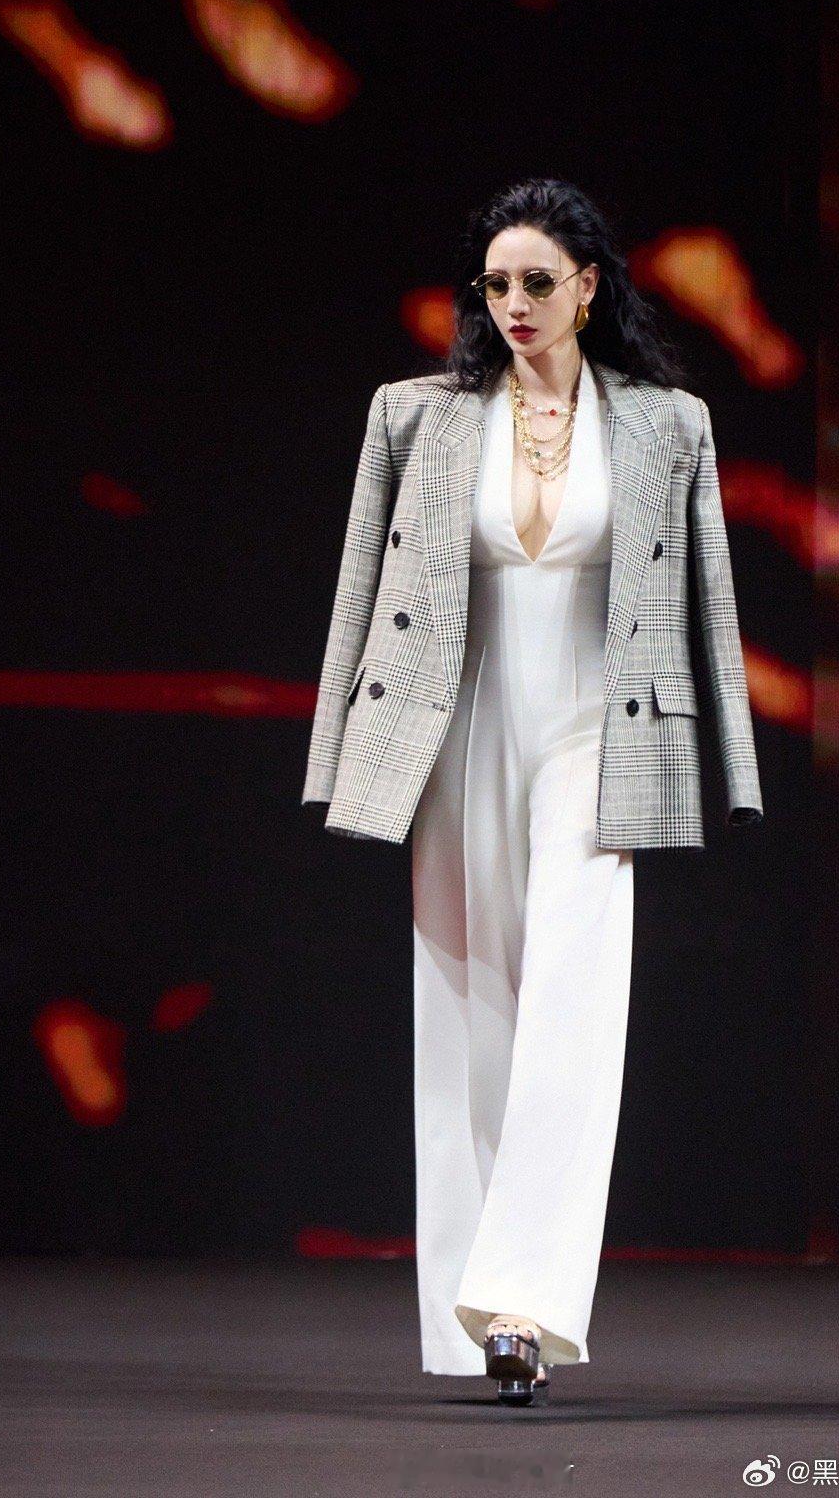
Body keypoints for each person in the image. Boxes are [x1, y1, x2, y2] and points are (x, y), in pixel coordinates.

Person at [302, 177, 763, 1406]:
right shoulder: (418, 416)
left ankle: (525, 1304)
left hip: (599, 736)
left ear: (589, 287)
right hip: (455, 732)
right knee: (467, 1009)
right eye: (496, 283)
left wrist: (736, 765)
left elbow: (709, 602)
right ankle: (472, 1321)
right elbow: (359, 597)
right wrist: (334, 754)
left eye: (537, 282)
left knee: (574, 999)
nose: (513, 303)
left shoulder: (667, 423)